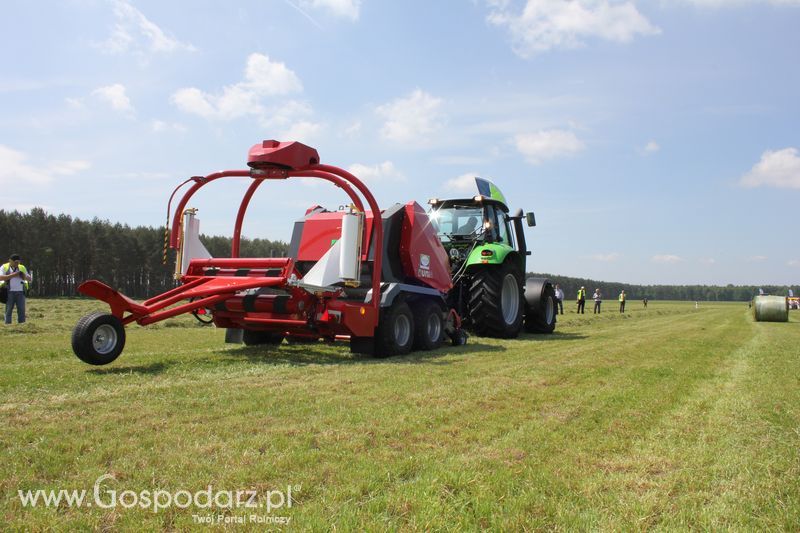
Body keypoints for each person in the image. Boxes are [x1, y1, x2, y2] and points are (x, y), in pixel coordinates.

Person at [1, 254, 32, 324]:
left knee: (21, 310)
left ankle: (22, 325)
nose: (17, 264)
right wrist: (14, 275)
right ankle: (8, 325)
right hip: (9, 292)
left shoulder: (22, 267)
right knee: (8, 310)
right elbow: (0, 277)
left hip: (21, 292)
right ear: (10, 261)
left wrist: (23, 276)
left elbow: (29, 279)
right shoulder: (4, 267)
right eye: (15, 262)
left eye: (18, 262)